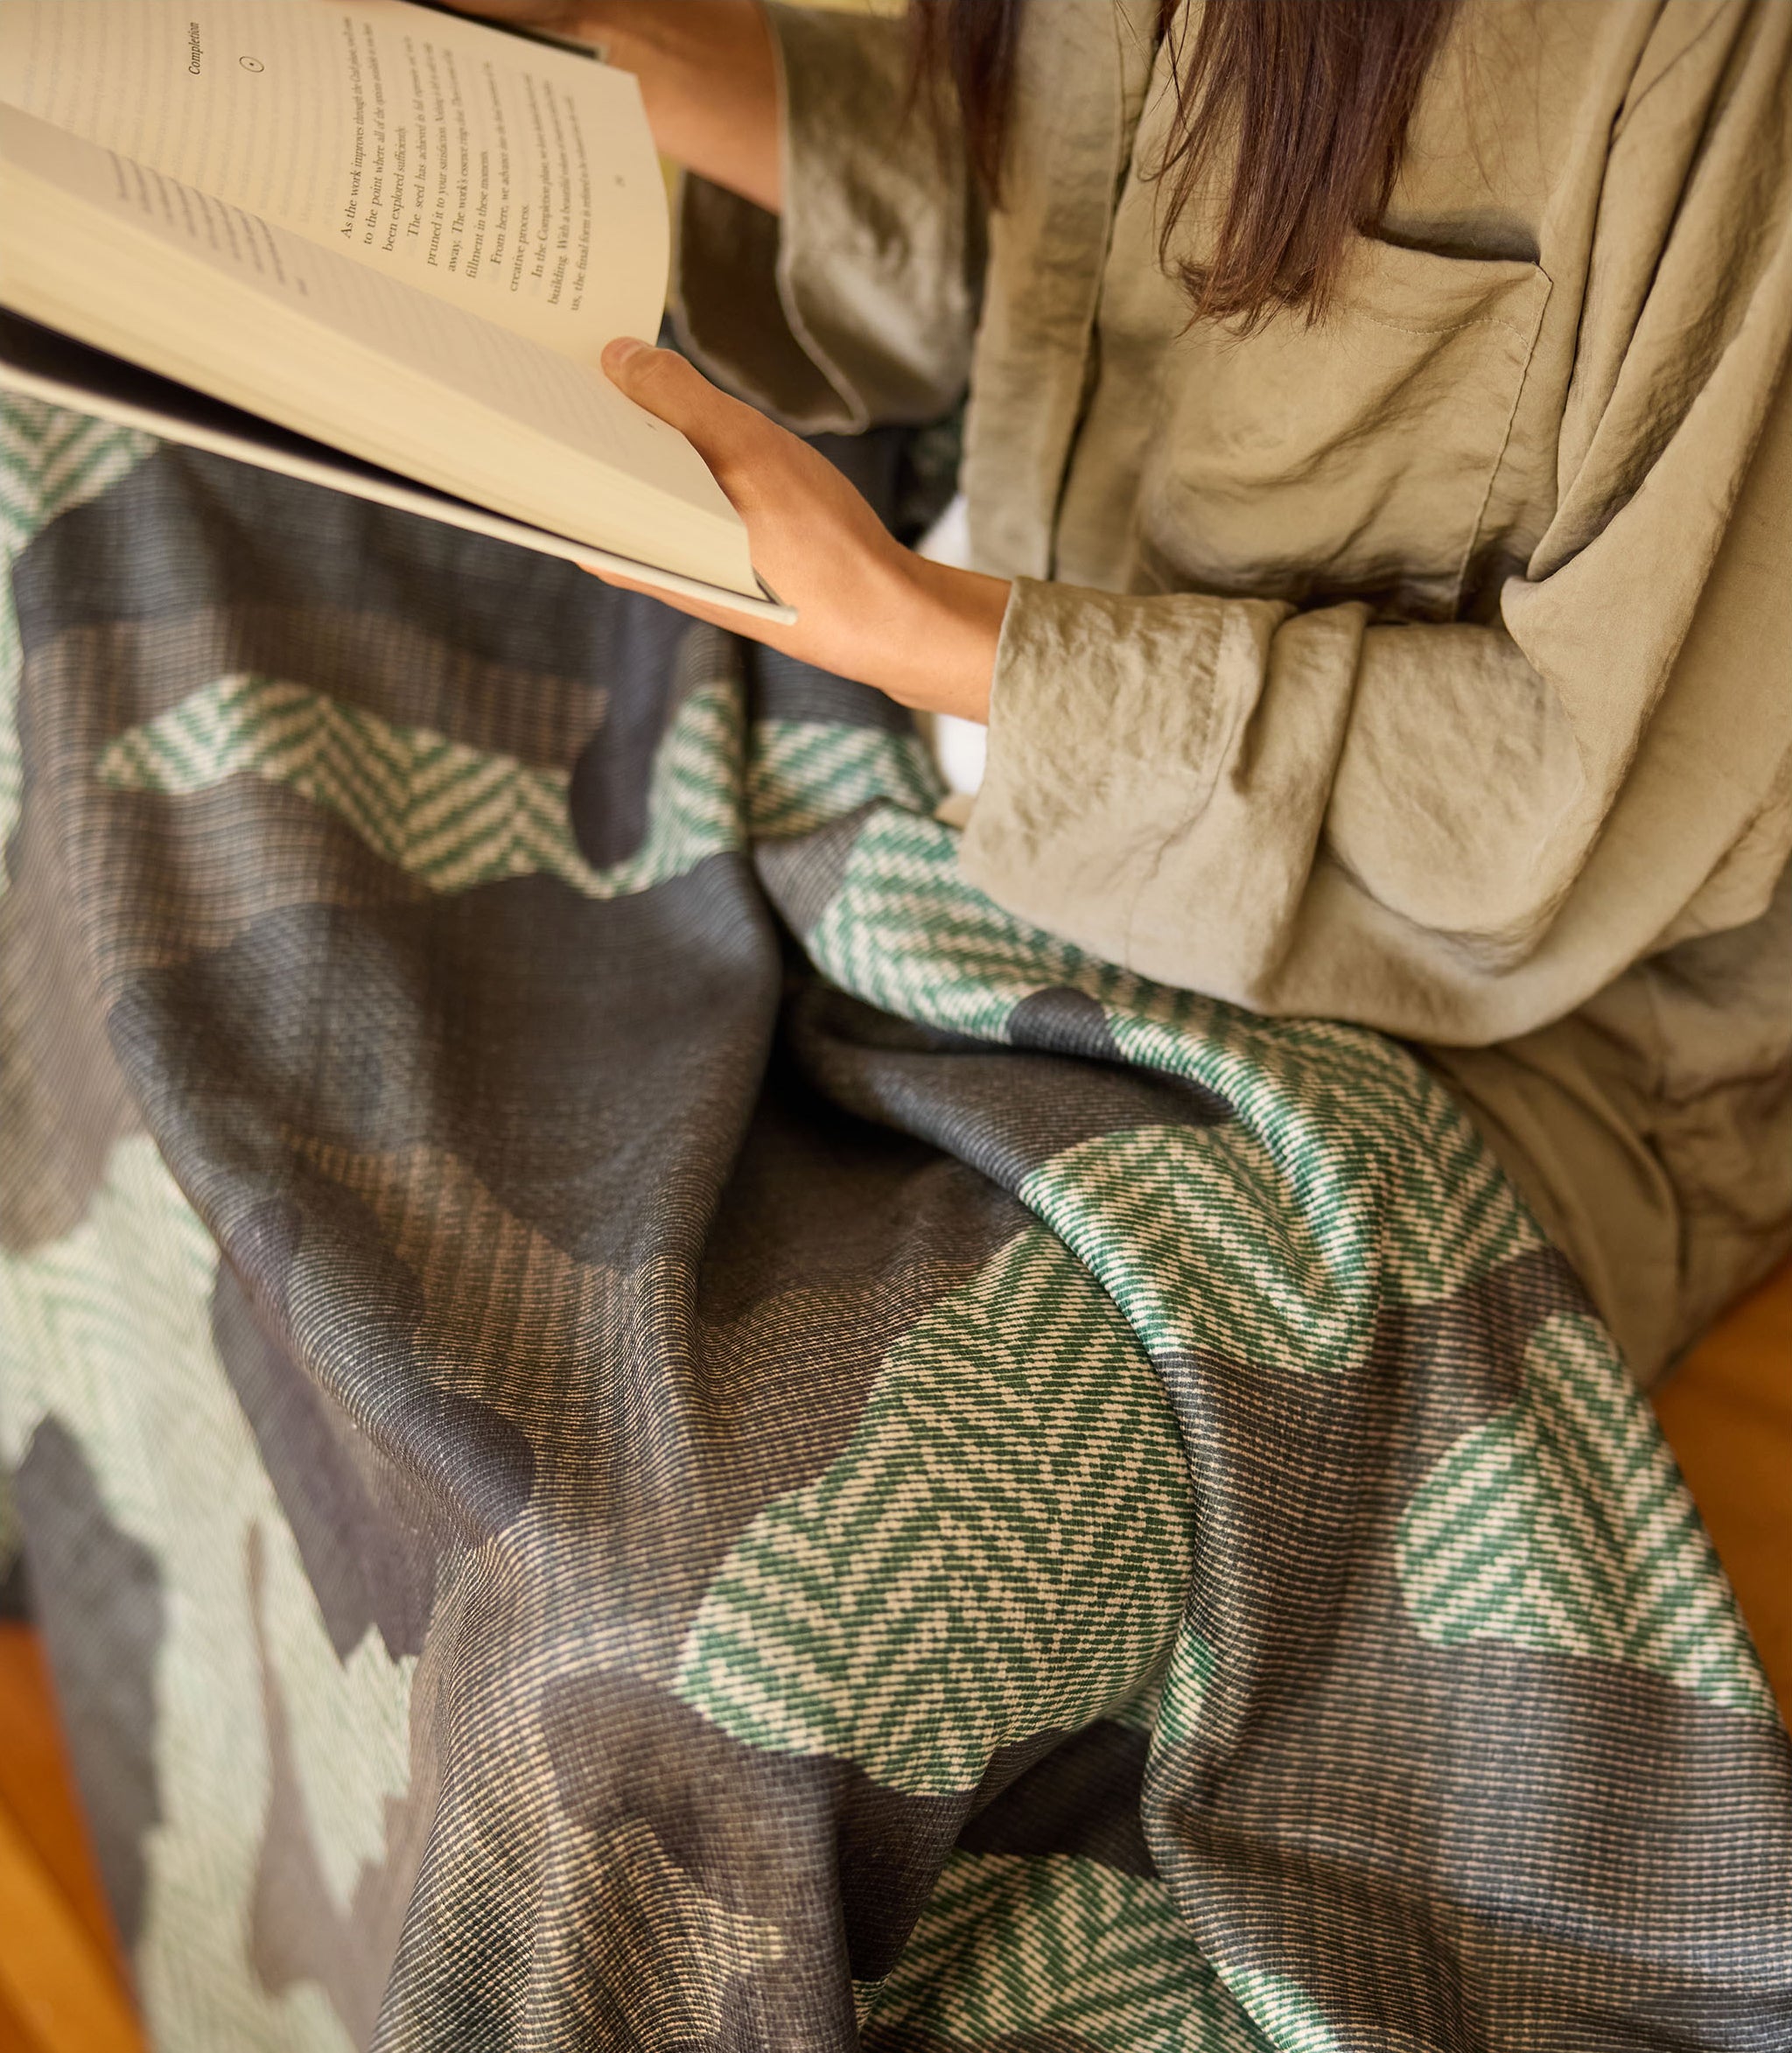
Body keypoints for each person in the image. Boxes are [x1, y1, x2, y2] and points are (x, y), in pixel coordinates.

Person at [444, 0, 1792, 1389]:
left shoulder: (1713, 44)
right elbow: (1073, 265)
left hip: (1517, 1007)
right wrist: (650, 55)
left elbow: (1598, 796)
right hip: (987, 647)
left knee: (694, 1507)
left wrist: (923, 632)